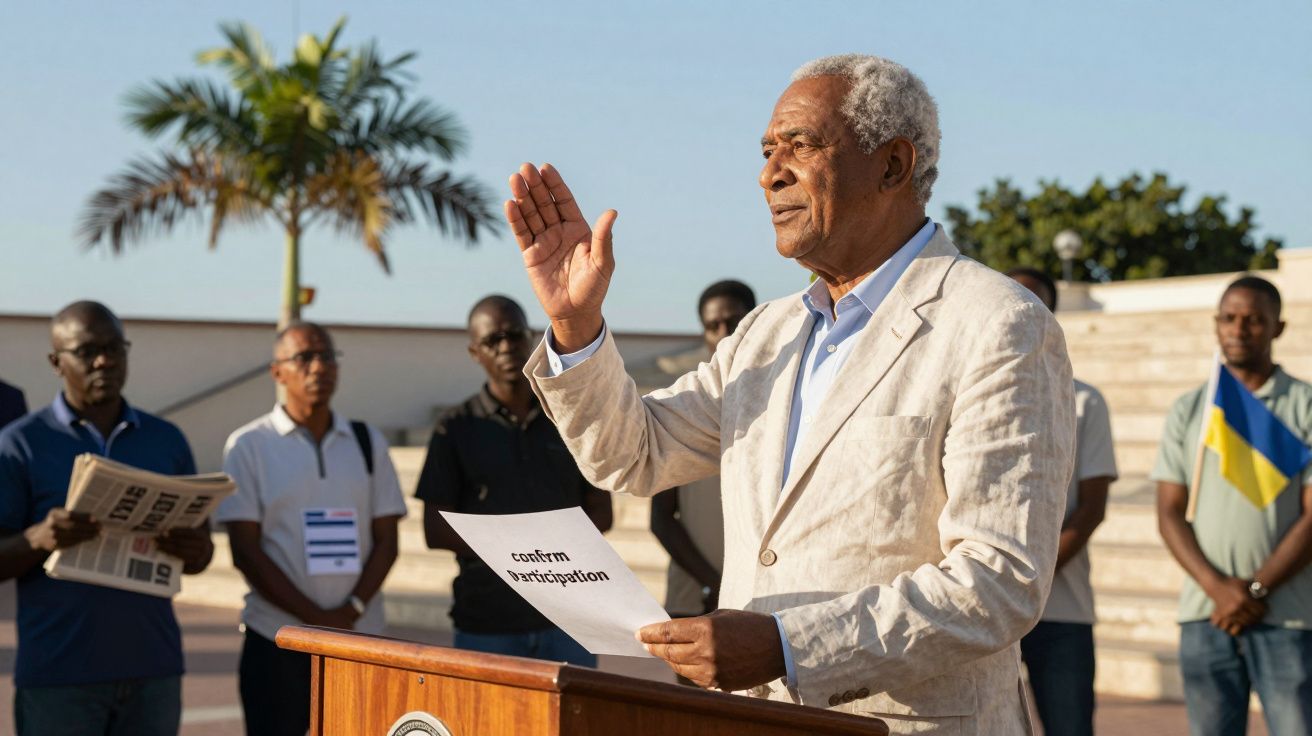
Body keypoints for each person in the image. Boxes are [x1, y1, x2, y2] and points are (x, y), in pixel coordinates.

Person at [504, 54, 1075, 733]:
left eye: (800, 146)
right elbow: (633, 455)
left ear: (893, 165)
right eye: (768, 151)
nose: (769, 173)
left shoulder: (997, 323)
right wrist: (575, 323)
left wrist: (787, 646)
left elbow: (999, 581)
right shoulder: (765, 334)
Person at [0, 301, 213, 736]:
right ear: (56, 362)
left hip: (153, 669)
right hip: (60, 677)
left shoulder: (166, 439)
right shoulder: (19, 444)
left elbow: (201, 556)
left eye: (116, 347)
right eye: (88, 350)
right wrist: (39, 538)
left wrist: (195, 550)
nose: (106, 360)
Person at [216, 322, 407, 736]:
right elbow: (246, 551)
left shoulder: (366, 441)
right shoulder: (248, 446)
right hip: (277, 641)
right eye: (304, 357)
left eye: (327, 356)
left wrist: (350, 611)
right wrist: (317, 621)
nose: (319, 367)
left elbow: (388, 539)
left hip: (361, 641)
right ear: (277, 372)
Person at [1153, 275, 1312, 735]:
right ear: (1215, 324)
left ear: (1277, 328)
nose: (1239, 329)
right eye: (1229, 318)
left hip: (1289, 615)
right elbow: (1168, 512)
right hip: (1206, 613)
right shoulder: (1191, 408)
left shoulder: (1304, 405)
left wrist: (1256, 589)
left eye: (1254, 320)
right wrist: (1218, 589)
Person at [415, 295, 612, 667]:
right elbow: (434, 530)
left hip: (572, 619)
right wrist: (518, 551)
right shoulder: (455, 428)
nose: (506, 347)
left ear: (532, 338)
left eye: (514, 335)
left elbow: (602, 513)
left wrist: (541, 550)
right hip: (489, 622)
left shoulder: (569, 418)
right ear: (475, 352)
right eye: (492, 341)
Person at [1008, 267, 1117, 736]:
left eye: (1034, 301)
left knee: (1069, 725)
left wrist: (1026, 571)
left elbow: (1091, 508)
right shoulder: (959, 394)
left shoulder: (1084, 401)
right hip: (977, 605)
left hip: (1060, 606)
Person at [645, 280, 756, 620]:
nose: (724, 333)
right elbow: (662, 519)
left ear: (754, 321)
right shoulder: (686, 404)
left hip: (763, 598)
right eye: (713, 326)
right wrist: (713, 583)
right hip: (693, 597)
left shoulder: (789, 398)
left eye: (734, 322)